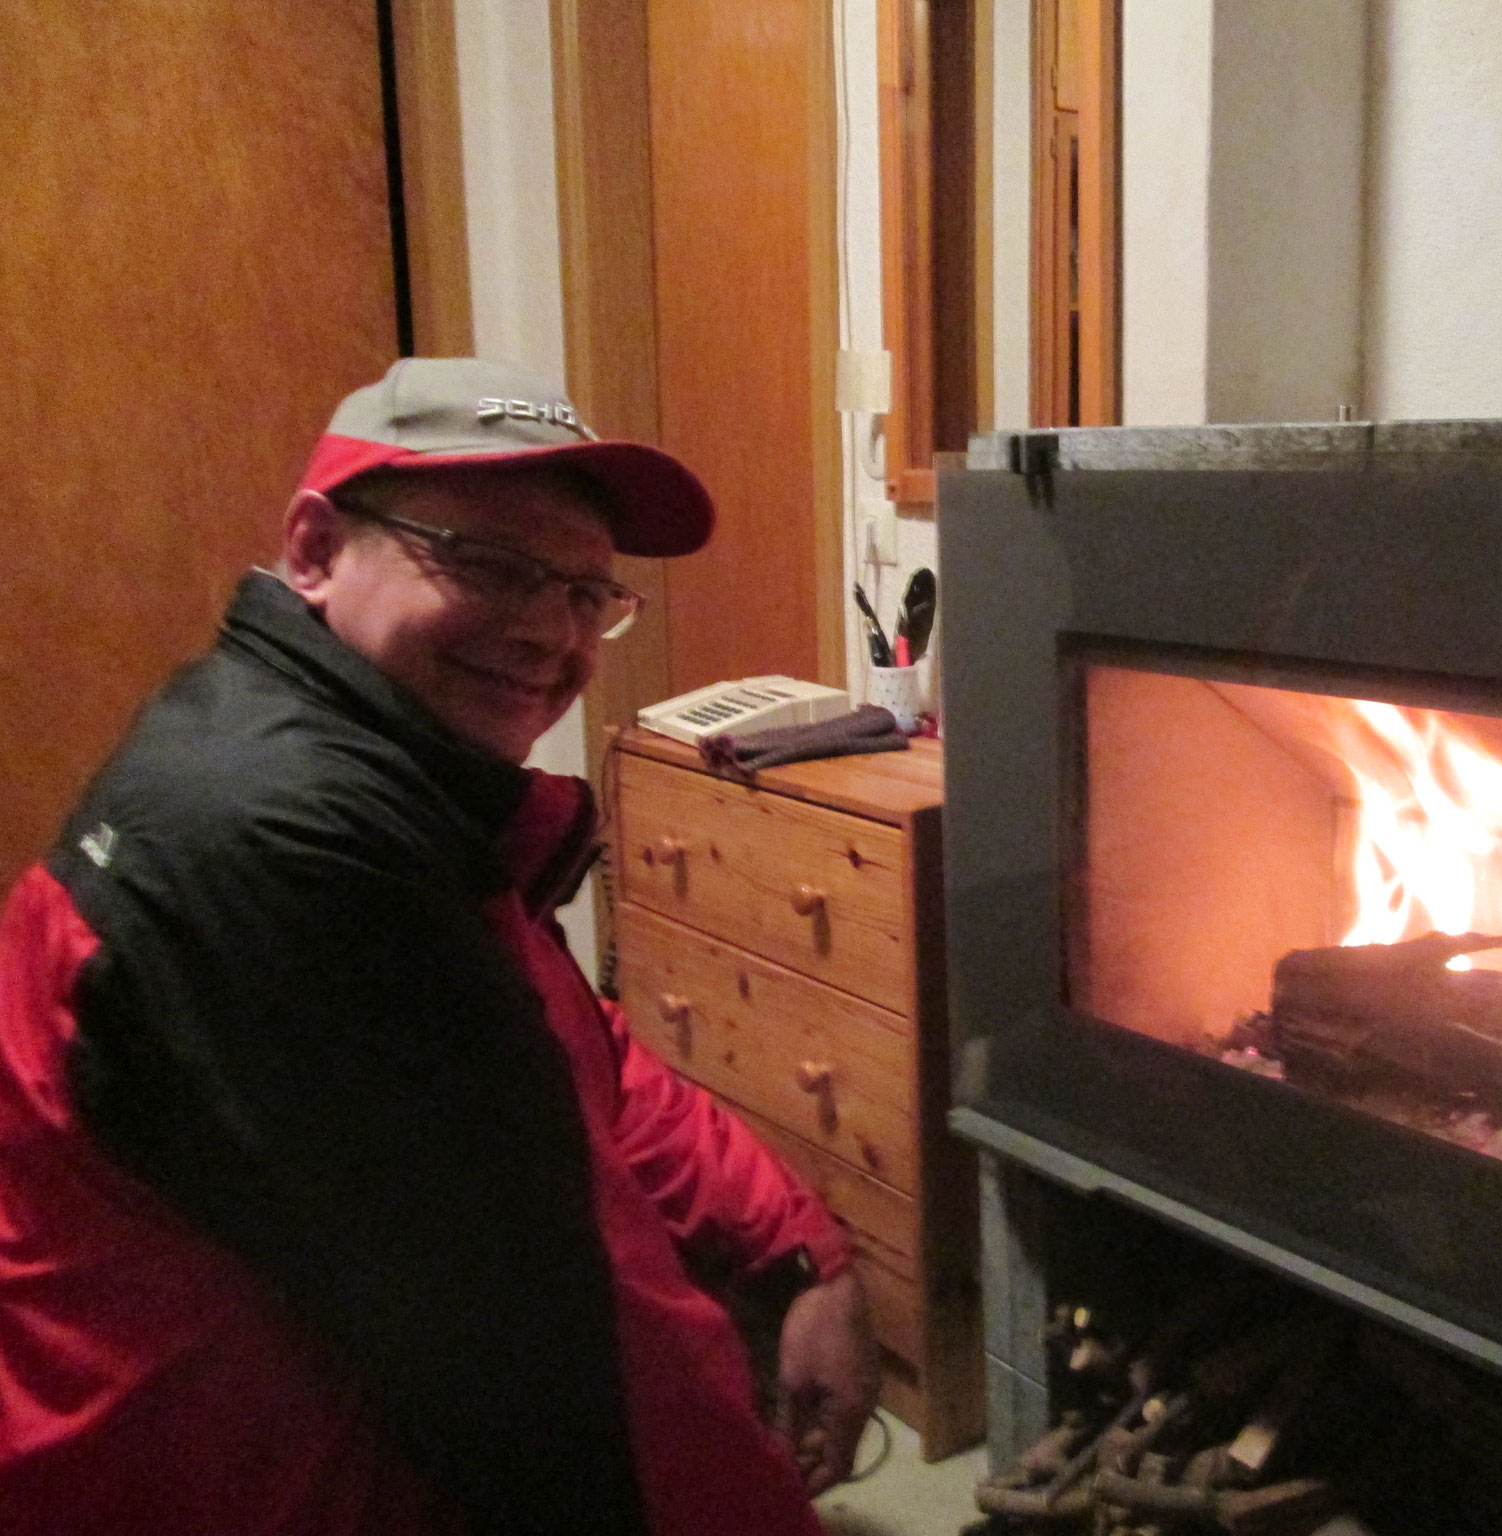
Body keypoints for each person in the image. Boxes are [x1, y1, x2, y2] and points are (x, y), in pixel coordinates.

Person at [0, 358, 879, 1535]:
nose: (549, 633)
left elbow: (578, 1070)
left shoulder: (348, 764)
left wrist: (791, 1241)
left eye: (583, 593)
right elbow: (558, 1368)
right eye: (484, 563)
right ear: (314, 550)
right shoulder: (288, 846)